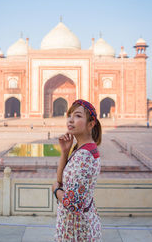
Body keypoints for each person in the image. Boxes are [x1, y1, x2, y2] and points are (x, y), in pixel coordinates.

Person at [52, 99, 102, 242]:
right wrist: (64, 152)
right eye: (70, 115)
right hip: (76, 228)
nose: (71, 120)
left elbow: (73, 204)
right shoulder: (83, 149)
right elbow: (61, 180)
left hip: (77, 232)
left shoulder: (85, 156)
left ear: (91, 124)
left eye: (78, 116)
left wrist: (55, 190)